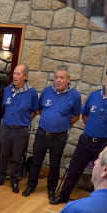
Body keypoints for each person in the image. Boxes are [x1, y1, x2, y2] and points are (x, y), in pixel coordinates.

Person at [53, 67, 107, 205]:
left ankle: (93, 203)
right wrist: (92, 128)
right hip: (86, 140)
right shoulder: (94, 95)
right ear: (106, 79)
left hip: (105, 145)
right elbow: (84, 115)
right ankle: (63, 196)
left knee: (99, 176)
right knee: (74, 170)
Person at [25, 66, 81, 200]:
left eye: (61, 77)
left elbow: (76, 116)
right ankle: (31, 186)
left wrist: (62, 125)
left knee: (54, 165)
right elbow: (40, 109)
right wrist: (49, 121)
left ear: (68, 78)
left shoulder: (75, 95)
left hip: (59, 137)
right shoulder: (46, 91)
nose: (58, 80)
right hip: (42, 133)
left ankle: (51, 189)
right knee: (36, 161)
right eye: (56, 77)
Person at [0, 64, 40, 192]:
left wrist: (24, 122)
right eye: (14, 73)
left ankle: (14, 181)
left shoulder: (32, 92)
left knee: (18, 158)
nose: (15, 76)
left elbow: (34, 111)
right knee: (3, 154)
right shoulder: (8, 89)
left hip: (21, 130)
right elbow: (4, 106)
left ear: (25, 76)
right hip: (6, 127)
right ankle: (0, 178)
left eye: (18, 74)